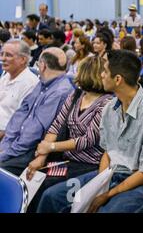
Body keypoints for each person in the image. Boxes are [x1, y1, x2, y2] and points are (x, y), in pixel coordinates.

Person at [37, 50, 143, 213]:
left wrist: (107, 195)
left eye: (105, 71)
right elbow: (108, 152)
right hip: (113, 174)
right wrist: (99, 185)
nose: (101, 75)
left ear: (118, 79)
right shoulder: (111, 108)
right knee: (52, 197)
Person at [25, 56, 112, 212]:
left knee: (48, 191)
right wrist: (42, 156)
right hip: (67, 160)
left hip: (89, 165)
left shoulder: (107, 103)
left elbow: (88, 140)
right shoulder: (77, 96)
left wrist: (50, 147)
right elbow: (56, 125)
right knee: (33, 179)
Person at [0, 48, 73, 175]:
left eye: (38, 63)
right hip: (17, 145)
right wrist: (5, 145)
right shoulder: (42, 84)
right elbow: (20, 114)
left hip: (33, 151)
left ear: (43, 66)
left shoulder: (60, 92)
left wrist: (7, 152)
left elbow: (33, 134)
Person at [0, 41, 39, 140]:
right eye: (1, 54)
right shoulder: (6, 76)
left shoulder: (30, 84)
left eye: (8, 55)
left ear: (22, 59)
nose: (3, 59)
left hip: (7, 137)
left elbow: (21, 124)